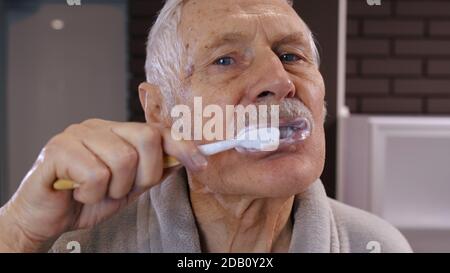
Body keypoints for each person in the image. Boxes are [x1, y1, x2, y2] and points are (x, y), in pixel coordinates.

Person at [0, 0, 412, 253]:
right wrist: (16, 233)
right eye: (226, 60)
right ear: (160, 110)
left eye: (291, 55)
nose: (281, 82)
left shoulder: (376, 245)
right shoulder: (75, 243)